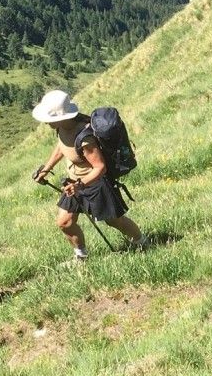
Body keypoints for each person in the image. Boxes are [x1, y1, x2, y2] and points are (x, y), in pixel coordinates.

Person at [32, 90, 147, 260]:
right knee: (65, 222)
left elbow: (100, 167)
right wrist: (46, 169)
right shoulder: (62, 128)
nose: (46, 122)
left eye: (50, 118)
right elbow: (62, 146)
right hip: (74, 183)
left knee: (114, 221)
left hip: (95, 184)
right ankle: (81, 257)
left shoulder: (85, 137)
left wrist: (80, 185)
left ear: (63, 117)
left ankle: (142, 243)